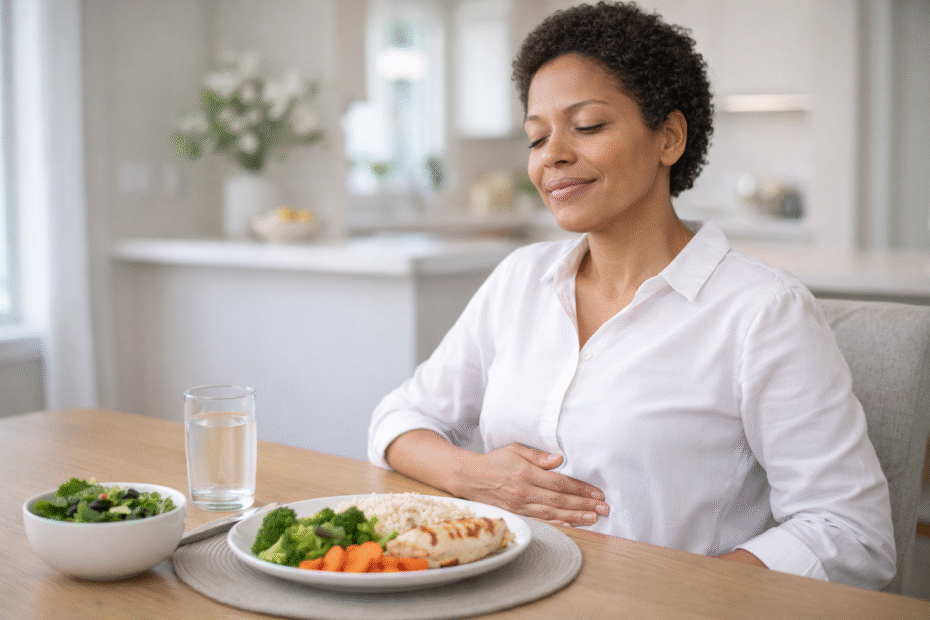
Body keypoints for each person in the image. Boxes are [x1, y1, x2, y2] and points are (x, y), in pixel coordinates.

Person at [367, 1, 895, 588]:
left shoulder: (761, 312)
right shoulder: (521, 279)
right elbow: (398, 420)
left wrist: (677, 593)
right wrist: (475, 476)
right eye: (537, 138)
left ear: (668, 138)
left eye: (587, 126)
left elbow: (851, 533)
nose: (553, 155)